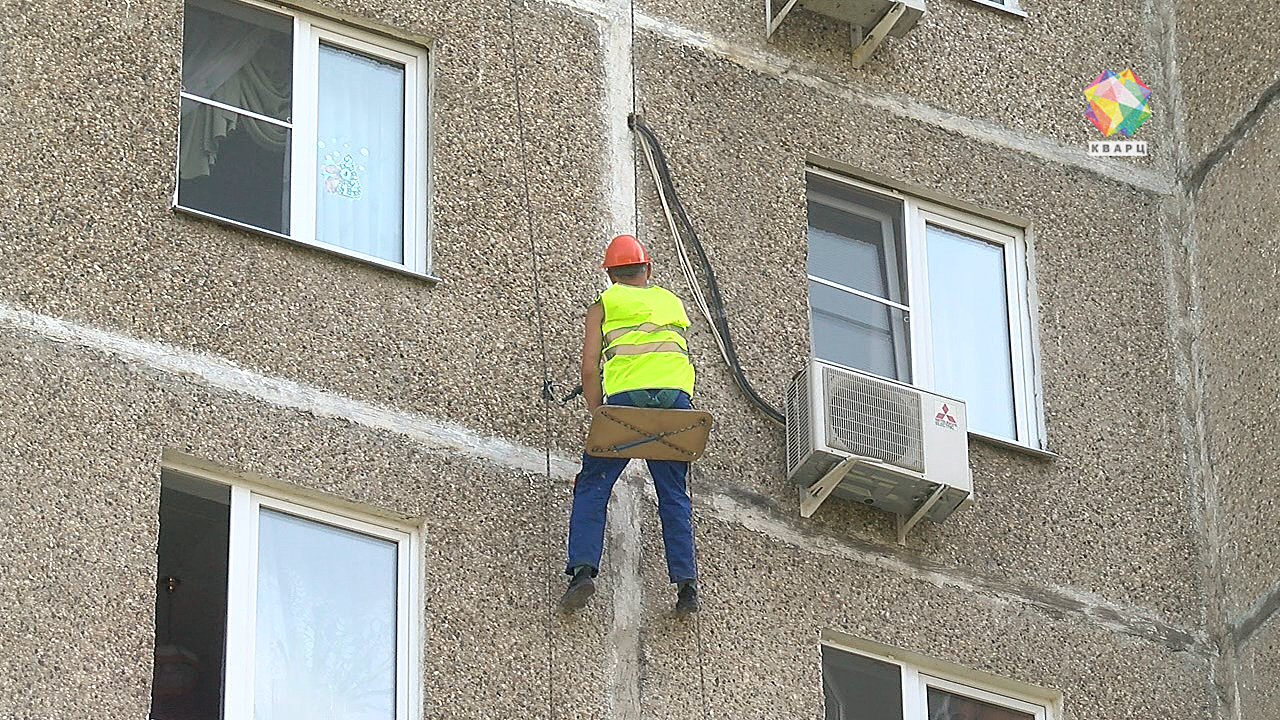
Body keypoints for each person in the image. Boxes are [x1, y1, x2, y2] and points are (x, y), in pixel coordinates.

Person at [561, 233, 700, 615]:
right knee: (673, 494)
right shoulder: (670, 301)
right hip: (674, 402)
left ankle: (582, 572)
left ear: (610, 276)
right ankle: (687, 587)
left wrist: (596, 412)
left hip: (625, 399)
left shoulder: (604, 303)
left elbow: (590, 367)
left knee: (593, 484)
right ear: (648, 269)